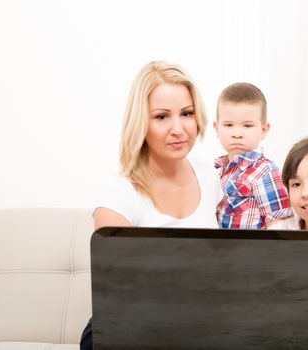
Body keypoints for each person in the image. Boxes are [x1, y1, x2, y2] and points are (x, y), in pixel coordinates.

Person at [81, 60, 219, 350]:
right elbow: (121, 288)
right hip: (130, 320)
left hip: (201, 317)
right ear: (141, 123)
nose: (178, 128)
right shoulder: (120, 191)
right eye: (161, 117)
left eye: (187, 114)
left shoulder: (216, 177)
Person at [213, 82, 292, 229]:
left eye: (247, 126)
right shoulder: (217, 170)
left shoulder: (264, 171)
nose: (237, 134)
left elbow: (279, 224)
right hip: (220, 249)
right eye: (228, 125)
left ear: (263, 129)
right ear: (216, 128)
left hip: (251, 250)